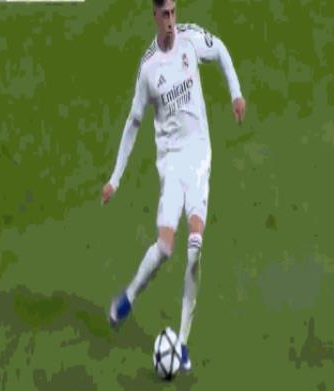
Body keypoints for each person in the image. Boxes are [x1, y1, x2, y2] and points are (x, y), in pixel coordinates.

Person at [101, 0, 246, 372]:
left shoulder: (191, 40)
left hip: (198, 157)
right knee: (165, 247)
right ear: (154, 16)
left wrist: (235, 93)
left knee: (195, 248)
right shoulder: (149, 69)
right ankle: (128, 297)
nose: (170, 21)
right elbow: (133, 123)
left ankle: (181, 343)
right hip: (171, 163)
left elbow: (222, 51)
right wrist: (115, 179)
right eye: (164, 14)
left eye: (174, 12)